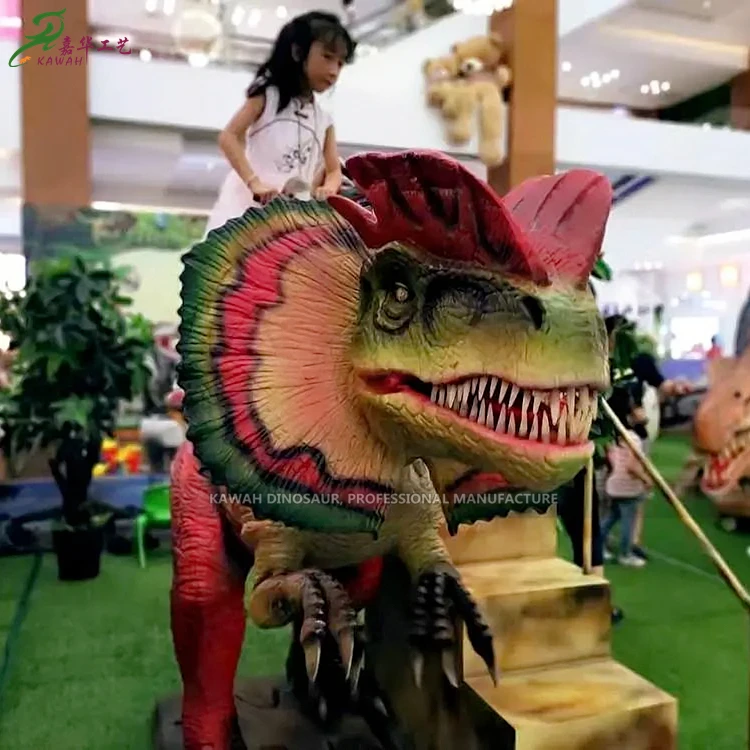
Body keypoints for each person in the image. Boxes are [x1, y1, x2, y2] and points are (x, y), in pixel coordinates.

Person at [206, 11, 354, 232]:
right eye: (327, 57)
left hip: (290, 222)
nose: (334, 71)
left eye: (340, 63)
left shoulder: (324, 120)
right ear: (298, 52)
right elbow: (229, 137)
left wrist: (329, 189)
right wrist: (254, 182)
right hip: (246, 213)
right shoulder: (268, 97)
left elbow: (334, 170)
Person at [601, 389, 653, 567]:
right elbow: (632, 467)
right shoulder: (633, 439)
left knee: (611, 517)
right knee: (628, 522)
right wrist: (646, 479)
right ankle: (625, 554)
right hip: (627, 487)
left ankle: (596, 545)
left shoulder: (615, 437)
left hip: (614, 483)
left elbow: (611, 458)